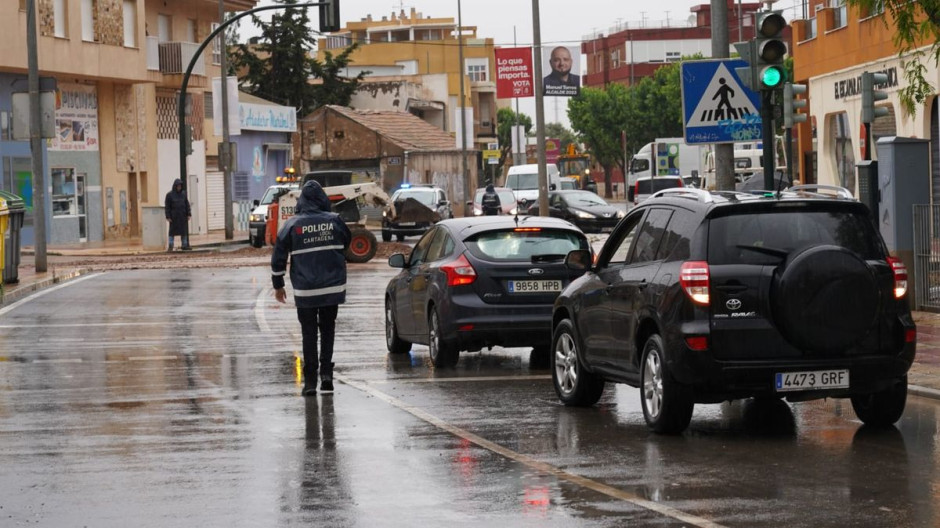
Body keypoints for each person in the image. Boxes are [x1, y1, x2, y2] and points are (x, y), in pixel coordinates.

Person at [272, 179, 351, 396]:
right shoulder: (335, 221)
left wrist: (278, 285)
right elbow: (347, 243)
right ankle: (326, 375)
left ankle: (309, 382)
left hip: (305, 290)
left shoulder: (291, 225)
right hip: (332, 289)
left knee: (308, 333)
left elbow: (278, 257)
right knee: (327, 329)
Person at [164, 178, 191, 251]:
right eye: (178, 186)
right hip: (174, 218)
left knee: (183, 232)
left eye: (180, 186)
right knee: (172, 232)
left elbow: (187, 204)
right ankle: (170, 245)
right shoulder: (169, 195)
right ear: (175, 186)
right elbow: (167, 207)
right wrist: (168, 216)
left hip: (182, 217)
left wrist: (188, 214)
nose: (179, 187)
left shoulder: (183, 194)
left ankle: (184, 245)